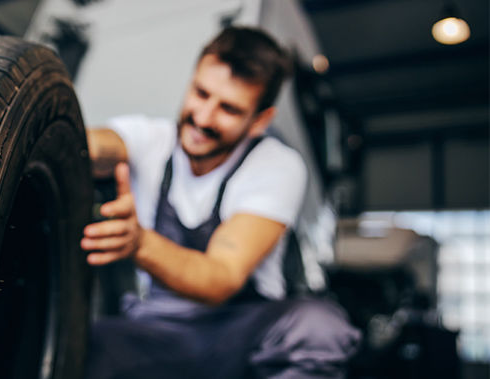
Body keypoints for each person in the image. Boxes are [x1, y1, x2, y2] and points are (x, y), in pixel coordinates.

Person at [82, 26, 361, 379]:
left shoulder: (277, 165)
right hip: (157, 330)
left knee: (318, 329)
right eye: (201, 93)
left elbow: (221, 278)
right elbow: (91, 143)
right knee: (84, 347)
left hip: (239, 333)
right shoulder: (148, 140)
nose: (203, 118)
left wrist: (139, 243)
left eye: (228, 108)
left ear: (260, 120)